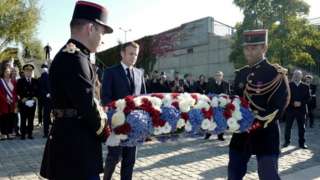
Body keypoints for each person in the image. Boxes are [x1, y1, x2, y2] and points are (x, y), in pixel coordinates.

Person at [40, 1, 113, 179]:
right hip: (75, 152)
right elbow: (87, 105)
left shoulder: (77, 56)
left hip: (73, 145)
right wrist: (109, 134)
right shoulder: (75, 58)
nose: (102, 39)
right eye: (101, 32)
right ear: (90, 28)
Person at [228, 29, 290, 180]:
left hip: (265, 133)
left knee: (268, 176)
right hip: (241, 134)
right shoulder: (241, 73)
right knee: (233, 174)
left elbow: (277, 109)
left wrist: (252, 125)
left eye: (253, 48)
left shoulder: (275, 74)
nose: (248, 52)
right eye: (246, 48)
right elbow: (234, 101)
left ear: (264, 48)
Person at [101, 41, 146, 180]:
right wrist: (116, 115)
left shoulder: (139, 73)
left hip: (134, 126)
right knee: (114, 157)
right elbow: (106, 98)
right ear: (122, 53)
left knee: (130, 160)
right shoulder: (110, 72)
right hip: (117, 124)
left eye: (136, 54)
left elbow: (144, 97)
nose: (133, 57)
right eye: (131, 53)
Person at [283, 70, 310, 149]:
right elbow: (285, 96)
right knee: (288, 127)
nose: (296, 76)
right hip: (290, 110)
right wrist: (292, 103)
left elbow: (308, 98)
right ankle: (287, 142)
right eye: (295, 74)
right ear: (293, 76)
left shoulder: (305, 86)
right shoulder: (289, 85)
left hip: (301, 110)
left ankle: (302, 143)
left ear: (301, 76)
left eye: (298, 75)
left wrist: (301, 103)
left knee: (302, 128)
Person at [205, 71, 230, 141]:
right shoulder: (210, 84)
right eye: (217, 75)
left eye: (219, 75)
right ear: (215, 76)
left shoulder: (226, 84)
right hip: (213, 106)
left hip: (222, 106)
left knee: (222, 120)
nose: (218, 77)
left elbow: (228, 93)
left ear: (222, 76)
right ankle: (208, 134)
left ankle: (220, 135)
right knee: (211, 120)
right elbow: (207, 93)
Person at [16, 64, 38, 140]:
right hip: (24, 103)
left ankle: (30, 134)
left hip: (32, 102)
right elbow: (17, 92)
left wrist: (36, 97)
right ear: (24, 72)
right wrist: (21, 99)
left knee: (31, 119)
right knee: (23, 119)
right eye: (27, 71)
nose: (29, 72)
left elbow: (38, 91)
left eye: (30, 71)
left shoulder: (35, 80)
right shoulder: (20, 81)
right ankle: (23, 134)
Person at [0, 63, 18, 140]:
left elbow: (15, 92)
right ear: (3, 72)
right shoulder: (0, 81)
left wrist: (13, 99)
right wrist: (6, 99)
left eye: (8, 72)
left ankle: (10, 132)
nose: (7, 73)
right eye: (6, 72)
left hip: (12, 103)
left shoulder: (13, 81)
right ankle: (3, 133)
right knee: (3, 118)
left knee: (11, 117)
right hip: (3, 103)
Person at [38, 64, 52, 137]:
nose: (44, 69)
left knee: (47, 117)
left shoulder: (51, 76)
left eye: (45, 68)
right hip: (47, 99)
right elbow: (40, 89)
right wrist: (47, 94)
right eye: (43, 68)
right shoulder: (41, 78)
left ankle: (47, 132)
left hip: (51, 99)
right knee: (46, 117)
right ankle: (46, 132)